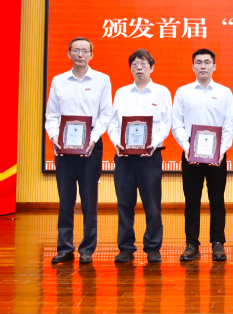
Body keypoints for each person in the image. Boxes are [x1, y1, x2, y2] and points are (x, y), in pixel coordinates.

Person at [45, 37, 112, 264]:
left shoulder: (102, 80)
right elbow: (52, 114)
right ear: (69, 54)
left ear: (91, 54)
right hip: (63, 144)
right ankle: (64, 248)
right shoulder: (59, 80)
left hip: (91, 143)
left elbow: (106, 113)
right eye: (76, 50)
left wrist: (93, 138)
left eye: (85, 50)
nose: (80, 54)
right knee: (65, 198)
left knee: (89, 198)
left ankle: (87, 249)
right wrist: (54, 136)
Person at [108, 49, 172, 263]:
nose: (139, 67)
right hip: (124, 157)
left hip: (150, 156)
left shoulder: (162, 92)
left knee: (152, 204)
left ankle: (153, 246)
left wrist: (153, 144)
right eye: (135, 64)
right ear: (130, 68)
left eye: (143, 64)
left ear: (151, 67)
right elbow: (113, 123)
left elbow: (166, 123)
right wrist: (117, 142)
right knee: (124, 203)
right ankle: (126, 247)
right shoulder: (122, 93)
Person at [172, 49, 233, 262]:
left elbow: (229, 125)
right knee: (192, 200)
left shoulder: (225, 92)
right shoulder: (183, 92)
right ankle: (191, 243)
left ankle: (218, 242)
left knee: (217, 199)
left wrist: (221, 151)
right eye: (198, 62)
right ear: (193, 66)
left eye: (207, 62)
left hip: (217, 155)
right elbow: (177, 124)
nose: (203, 66)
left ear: (214, 66)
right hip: (191, 153)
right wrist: (187, 147)